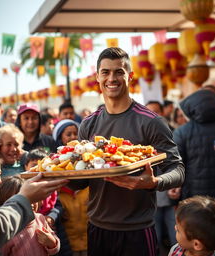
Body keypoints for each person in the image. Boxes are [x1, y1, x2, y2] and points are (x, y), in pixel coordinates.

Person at [67, 47, 185, 256]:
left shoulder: (151, 121)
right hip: (97, 227)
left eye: (119, 72)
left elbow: (177, 169)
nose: (112, 78)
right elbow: (83, 178)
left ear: (130, 76)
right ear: (97, 77)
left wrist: (154, 182)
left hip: (138, 230)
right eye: (105, 72)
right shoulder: (87, 124)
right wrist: (59, 177)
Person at [0, 100, 68, 251]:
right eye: (8, 145)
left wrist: (51, 217)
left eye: (16, 145)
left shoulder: (29, 167)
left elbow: (55, 199)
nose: (13, 149)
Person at [173, 89, 215, 256]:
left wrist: (175, 189)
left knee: (198, 247)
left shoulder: (182, 132)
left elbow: (177, 166)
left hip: (195, 208)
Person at [0, 176, 60, 256]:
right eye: (21, 200)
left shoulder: (40, 218)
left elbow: (55, 244)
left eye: (32, 198)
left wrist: (52, 242)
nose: (29, 204)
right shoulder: (6, 230)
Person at [145, 100, 178, 255]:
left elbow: (179, 165)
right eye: (150, 112)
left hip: (171, 196)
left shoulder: (174, 133)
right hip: (152, 197)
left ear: (163, 113)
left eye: (156, 112)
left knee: (176, 238)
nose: (154, 116)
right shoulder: (142, 137)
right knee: (154, 237)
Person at [53, 119, 88, 256]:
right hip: (67, 242)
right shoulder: (55, 164)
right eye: (68, 134)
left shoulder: (87, 160)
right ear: (60, 138)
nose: (73, 137)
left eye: (76, 133)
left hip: (89, 238)